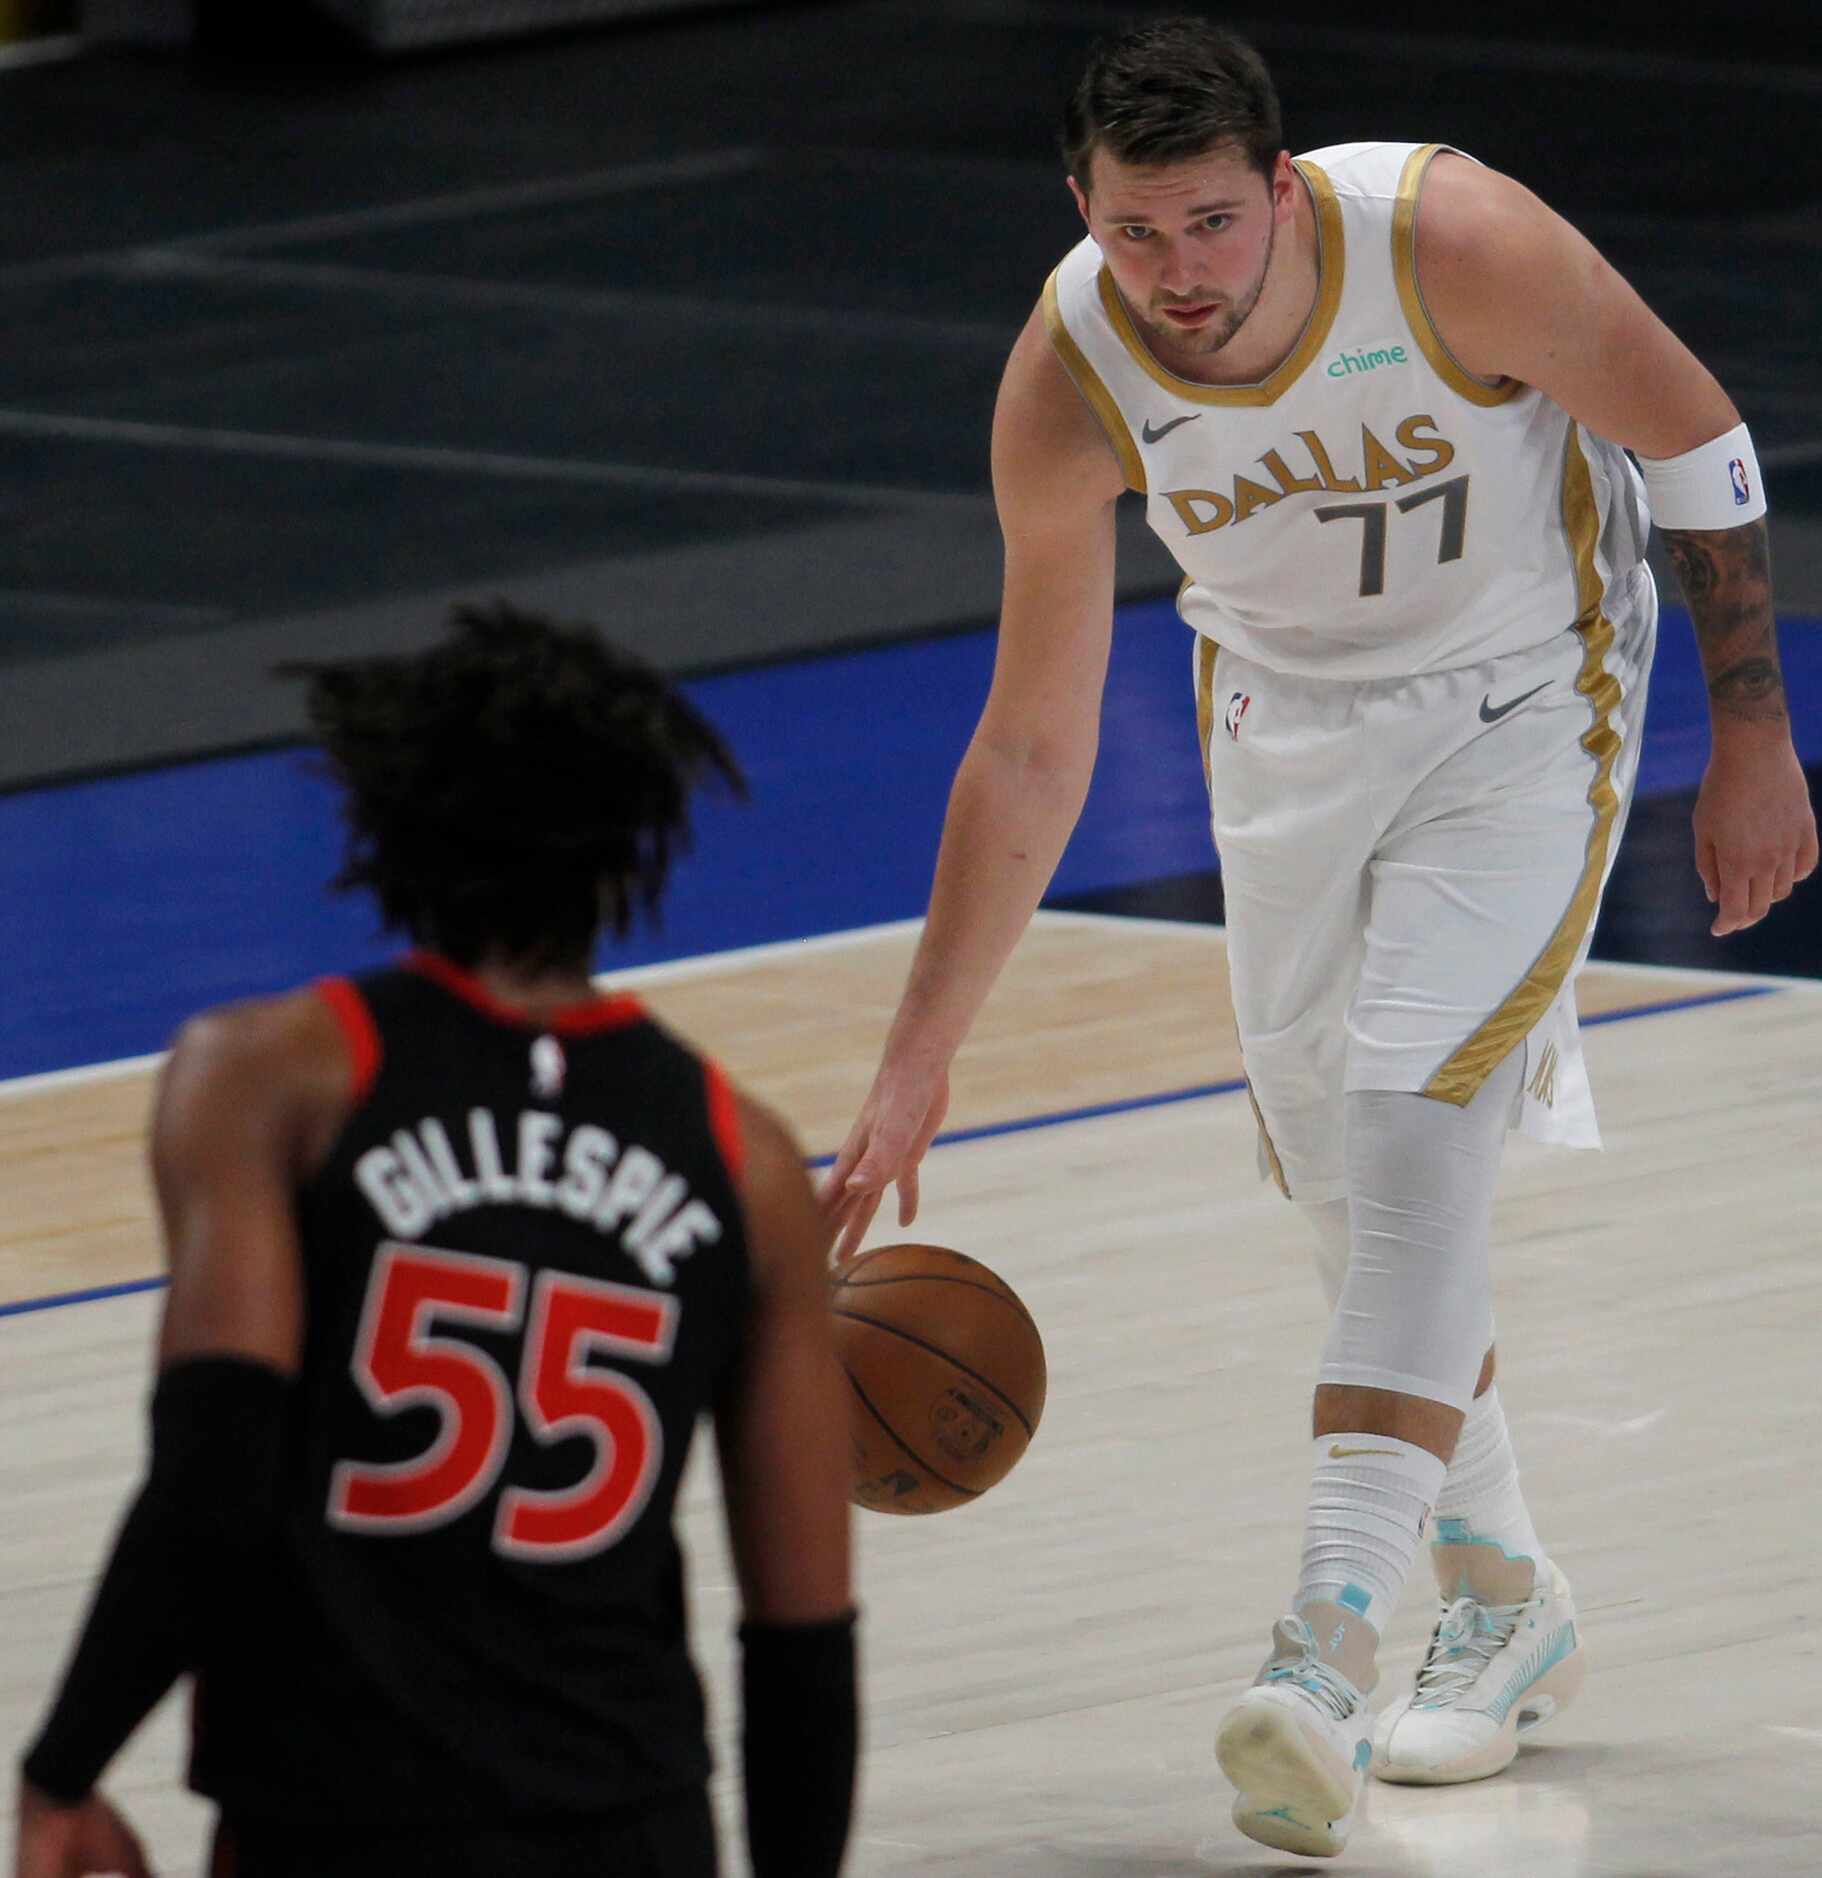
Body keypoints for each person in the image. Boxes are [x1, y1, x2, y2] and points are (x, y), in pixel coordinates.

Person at [824, 15, 1816, 1862]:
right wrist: (913, 1055)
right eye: (1136, 231)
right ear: (1080, 207)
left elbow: (1697, 440)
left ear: (1278, 191)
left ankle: (1324, 1646)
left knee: (1412, 1116)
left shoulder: (1454, 245)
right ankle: (1500, 1586)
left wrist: (1747, 735)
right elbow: (1031, 742)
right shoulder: (1069, 370)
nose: (1177, 274)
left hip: (1531, 683)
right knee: (1337, 1188)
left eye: (1209, 223)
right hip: (1280, 711)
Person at [15, 604, 858, 1878]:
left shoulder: (276, 1074)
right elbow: (801, 1639)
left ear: (385, 822)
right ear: (631, 847)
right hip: (631, 1825)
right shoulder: (744, 1159)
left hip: (341, 1819)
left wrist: (64, 1769)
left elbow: (215, 1472)